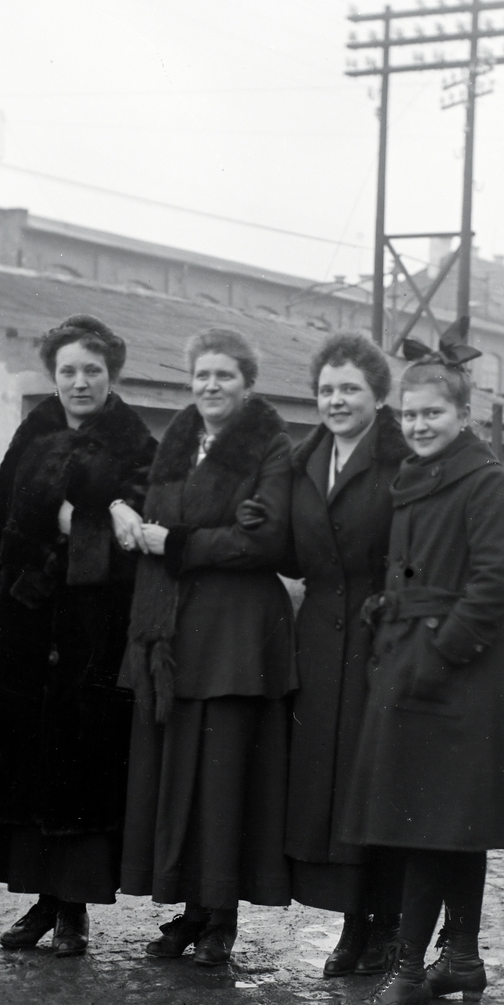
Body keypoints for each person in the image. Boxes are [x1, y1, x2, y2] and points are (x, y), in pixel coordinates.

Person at [338, 322, 504, 1005]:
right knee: (452, 819)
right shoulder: (420, 477)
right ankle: (459, 958)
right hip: (423, 658)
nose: (421, 424)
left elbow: (497, 584)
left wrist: (439, 650)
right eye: (412, 413)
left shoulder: (484, 483)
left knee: (424, 820)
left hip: (461, 672)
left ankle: (406, 973)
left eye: (435, 413)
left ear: (464, 416)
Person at [0, 315, 157, 957]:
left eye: (92, 371)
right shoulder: (35, 430)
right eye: (68, 371)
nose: (80, 382)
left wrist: (73, 522)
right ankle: (41, 901)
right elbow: (0, 526)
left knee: (82, 765)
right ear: (54, 376)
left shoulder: (135, 442)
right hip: (25, 627)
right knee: (27, 765)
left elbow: (138, 537)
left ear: (112, 376)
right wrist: (55, 515)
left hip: (93, 631)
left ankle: (73, 908)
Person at [118, 328, 296, 965]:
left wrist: (181, 544)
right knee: (181, 770)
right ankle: (191, 909)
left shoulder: (272, 446)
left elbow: (265, 540)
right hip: (178, 627)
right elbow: (138, 500)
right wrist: (120, 508)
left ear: (247, 384)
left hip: (238, 635)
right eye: (202, 377)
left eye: (224, 376)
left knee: (223, 778)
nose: (211, 387)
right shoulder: (177, 440)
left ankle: (221, 916)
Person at [282, 333, 410, 976]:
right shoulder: (304, 461)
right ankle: (353, 924)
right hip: (319, 644)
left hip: (378, 638)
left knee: (377, 780)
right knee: (331, 788)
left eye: (350, 389)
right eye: (327, 389)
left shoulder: (400, 461)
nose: (336, 400)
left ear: (378, 396)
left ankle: (387, 924)